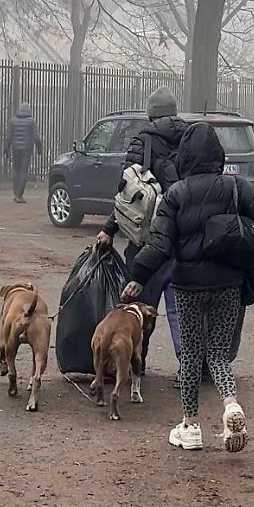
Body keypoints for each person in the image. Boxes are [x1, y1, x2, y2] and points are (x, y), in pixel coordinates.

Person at [123, 123, 254, 453]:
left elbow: (159, 245)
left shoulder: (176, 195)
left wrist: (138, 276)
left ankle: (191, 426)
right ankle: (230, 406)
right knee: (219, 354)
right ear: (218, 157)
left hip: (188, 286)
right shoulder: (235, 188)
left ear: (185, 157)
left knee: (192, 356)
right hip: (229, 282)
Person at [95, 87, 190, 365]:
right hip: (182, 240)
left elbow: (128, 194)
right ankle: (188, 365)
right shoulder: (191, 140)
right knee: (179, 307)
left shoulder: (143, 141)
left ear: (151, 114)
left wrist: (109, 229)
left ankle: (136, 363)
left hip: (147, 239)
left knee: (139, 304)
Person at [3, 102, 43, 203]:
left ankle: (16, 193)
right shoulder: (31, 122)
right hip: (27, 149)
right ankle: (19, 195)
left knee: (16, 170)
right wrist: (39, 149)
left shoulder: (12, 121)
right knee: (23, 171)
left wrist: (6, 149)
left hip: (15, 148)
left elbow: (8, 137)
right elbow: (36, 137)